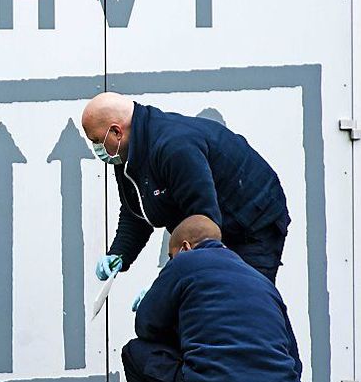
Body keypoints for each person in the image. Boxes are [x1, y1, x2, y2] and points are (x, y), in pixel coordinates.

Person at [90, 216, 315, 382]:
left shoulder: (185, 262)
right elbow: (294, 363)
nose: (171, 262)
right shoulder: (261, 280)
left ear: (185, 247)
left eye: (171, 256)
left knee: (136, 352)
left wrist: (175, 320)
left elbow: (147, 328)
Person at [81, 92, 289, 285]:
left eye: (97, 141)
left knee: (244, 302)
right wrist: (119, 254)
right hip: (213, 223)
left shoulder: (174, 148)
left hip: (252, 222)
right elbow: (136, 211)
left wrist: (167, 286)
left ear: (117, 131)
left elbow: (203, 227)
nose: (97, 149)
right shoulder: (125, 153)